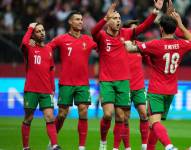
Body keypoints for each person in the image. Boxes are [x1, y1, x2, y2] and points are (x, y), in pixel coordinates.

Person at [91, 0, 163, 149]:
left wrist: (155, 10)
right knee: (107, 114)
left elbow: (144, 27)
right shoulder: (102, 37)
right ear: (109, 21)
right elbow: (93, 31)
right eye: (115, 18)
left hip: (124, 82)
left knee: (121, 117)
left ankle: (116, 147)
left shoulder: (126, 34)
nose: (118, 21)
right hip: (107, 81)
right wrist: (105, 18)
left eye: (119, 18)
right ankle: (103, 142)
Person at [124, 13, 191, 150]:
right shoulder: (182, 44)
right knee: (153, 125)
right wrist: (180, 23)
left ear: (161, 28)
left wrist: (123, 38)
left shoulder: (155, 44)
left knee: (154, 122)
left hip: (156, 90)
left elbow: (130, 48)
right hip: (171, 90)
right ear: (174, 28)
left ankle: (169, 146)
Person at [48, 11, 97, 150]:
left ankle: (81, 147)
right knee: (63, 113)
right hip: (66, 82)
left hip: (83, 83)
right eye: (77, 19)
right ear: (70, 22)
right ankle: (53, 142)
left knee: (83, 111)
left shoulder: (87, 40)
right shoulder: (61, 39)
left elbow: (102, 49)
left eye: (81, 19)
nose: (81, 22)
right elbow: (47, 49)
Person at [20, 23, 61, 150]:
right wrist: (30, 28)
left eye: (43, 30)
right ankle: (26, 147)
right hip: (31, 89)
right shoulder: (29, 47)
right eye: (38, 31)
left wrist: (52, 88)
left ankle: (54, 145)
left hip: (46, 90)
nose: (42, 33)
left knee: (49, 116)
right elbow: (23, 44)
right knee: (28, 118)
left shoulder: (49, 49)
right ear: (33, 34)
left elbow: (51, 69)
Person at [122, 20, 151, 150]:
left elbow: (150, 61)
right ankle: (127, 147)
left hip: (139, 86)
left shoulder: (140, 46)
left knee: (144, 114)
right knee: (125, 118)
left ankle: (144, 146)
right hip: (125, 86)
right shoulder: (120, 46)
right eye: (133, 29)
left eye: (137, 29)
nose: (136, 31)